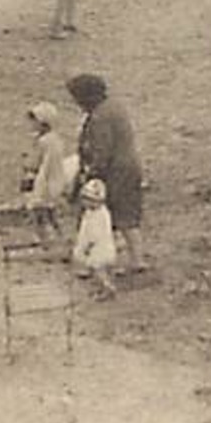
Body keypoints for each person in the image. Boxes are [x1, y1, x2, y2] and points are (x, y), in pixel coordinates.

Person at [68, 74, 146, 275]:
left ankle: (108, 260)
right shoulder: (114, 107)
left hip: (116, 172)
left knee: (112, 216)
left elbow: (102, 150)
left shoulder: (100, 117)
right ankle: (133, 258)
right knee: (127, 215)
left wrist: (91, 173)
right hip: (128, 168)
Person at [22, 102, 76, 245]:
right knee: (47, 212)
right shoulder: (49, 139)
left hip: (46, 181)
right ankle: (56, 238)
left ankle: (47, 239)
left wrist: (35, 177)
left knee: (40, 211)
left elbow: (44, 164)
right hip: (49, 179)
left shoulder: (47, 141)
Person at [72, 179, 118, 300]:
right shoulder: (92, 213)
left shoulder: (98, 215)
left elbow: (95, 234)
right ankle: (102, 287)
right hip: (101, 247)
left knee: (98, 270)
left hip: (99, 248)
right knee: (99, 270)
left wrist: (87, 246)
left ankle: (107, 287)